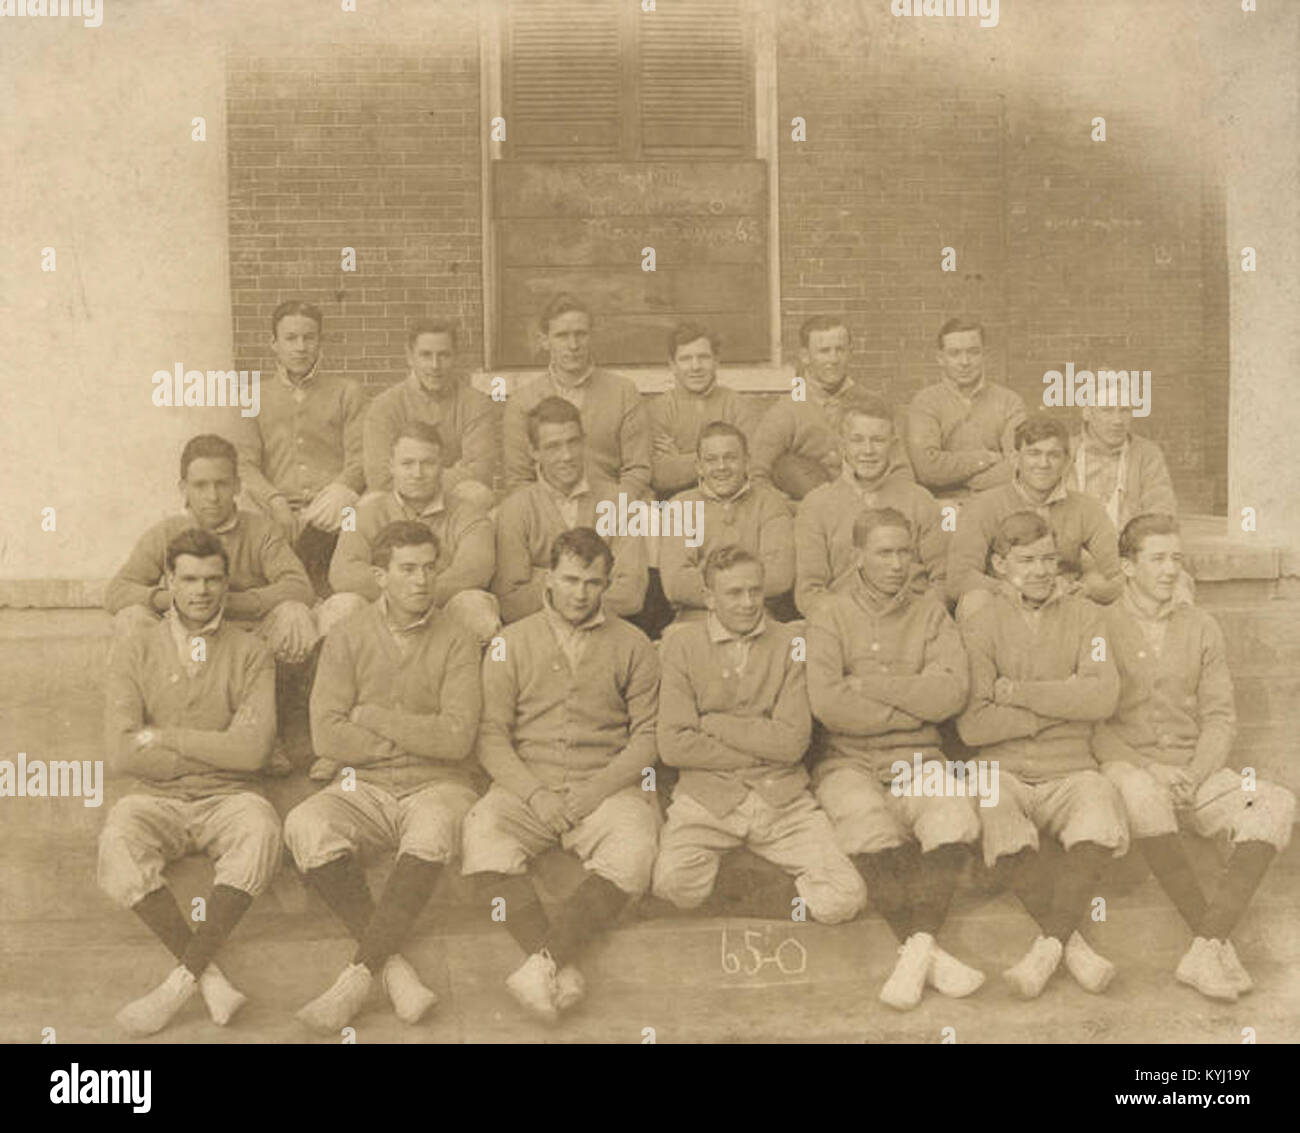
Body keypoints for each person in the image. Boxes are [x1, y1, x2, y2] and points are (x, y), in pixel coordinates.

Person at [284, 521, 484, 1031]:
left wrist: (373, 718)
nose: (421, 580)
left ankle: (355, 978)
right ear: (380, 576)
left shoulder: (458, 639)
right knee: (306, 822)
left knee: (435, 826)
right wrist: (408, 737)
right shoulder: (348, 635)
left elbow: (457, 739)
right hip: (362, 783)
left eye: (429, 568)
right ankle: (392, 969)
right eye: (407, 569)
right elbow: (327, 735)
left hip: (438, 782)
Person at [462, 528, 660, 1023]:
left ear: (607, 583)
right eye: (570, 580)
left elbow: (648, 738)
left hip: (604, 785)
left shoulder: (633, 644)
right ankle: (552, 963)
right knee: (481, 831)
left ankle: (541, 964)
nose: (580, 593)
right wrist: (534, 794)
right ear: (548, 578)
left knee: (636, 845)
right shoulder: (510, 642)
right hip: (529, 786)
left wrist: (594, 791)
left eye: (593, 583)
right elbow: (490, 736)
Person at [1097, 513, 1295, 1001]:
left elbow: (1221, 717)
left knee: (1275, 802)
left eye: (1176, 559)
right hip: (1130, 769)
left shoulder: (1201, 625)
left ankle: (1206, 946)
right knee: (1143, 793)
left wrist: (1193, 772)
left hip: (1194, 771)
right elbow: (1092, 726)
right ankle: (1213, 944)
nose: (1170, 569)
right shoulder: (1099, 626)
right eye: (1157, 558)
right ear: (1127, 567)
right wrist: (1148, 768)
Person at [98, 528, 282, 1036]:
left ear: (227, 583)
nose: (202, 591)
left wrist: (167, 737)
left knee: (262, 828)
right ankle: (207, 977)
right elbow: (120, 752)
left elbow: (252, 751)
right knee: (118, 838)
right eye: (190, 579)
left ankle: (181, 982)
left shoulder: (250, 651)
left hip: (230, 797)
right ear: (168, 581)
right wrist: (212, 750)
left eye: (214, 579)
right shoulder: (135, 647)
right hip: (158, 797)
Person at [806, 508, 983, 1009]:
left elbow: (951, 693)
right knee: (864, 823)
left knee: (952, 813)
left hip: (918, 759)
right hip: (848, 760)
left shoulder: (930, 612)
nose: (897, 564)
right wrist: (910, 705)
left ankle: (915, 948)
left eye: (905, 551)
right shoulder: (830, 613)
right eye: (884, 552)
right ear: (856, 555)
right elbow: (829, 706)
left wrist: (874, 689)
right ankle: (927, 950)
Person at [956, 511, 1127, 999]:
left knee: (1098, 803)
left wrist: (1019, 693)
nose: (1039, 570)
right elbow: (973, 725)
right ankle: (1068, 947)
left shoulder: (1087, 616)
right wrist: (1062, 701)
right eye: (1026, 560)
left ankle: (1048, 947)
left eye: (1050, 558)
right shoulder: (981, 622)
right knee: (992, 804)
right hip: (1003, 767)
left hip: (1070, 766)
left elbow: (1102, 698)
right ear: (999, 564)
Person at [653, 545, 863, 922]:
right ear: (709, 598)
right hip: (708, 796)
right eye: (734, 593)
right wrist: (762, 746)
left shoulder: (791, 643)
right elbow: (673, 746)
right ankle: (749, 867)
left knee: (845, 898)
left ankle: (748, 880)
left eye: (755, 590)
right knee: (671, 883)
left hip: (780, 796)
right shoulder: (682, 644)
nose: (748, 602)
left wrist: (713, 724)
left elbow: (791, 743)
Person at [105, 434, 318, 666]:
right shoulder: (166, 532)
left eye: (222, 484)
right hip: (183, 642)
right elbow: (118, 591)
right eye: (200, 485)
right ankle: (139, 701)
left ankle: (285, 700)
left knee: (294, 614)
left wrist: (233, 602)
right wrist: (174, 600)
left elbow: (299, 587)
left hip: (245, 641)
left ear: (237, 485)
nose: (212, 496)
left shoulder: (261, 530)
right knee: (131, 618)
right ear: (183, 488)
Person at [322, 422, 497, 644]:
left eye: (428, 464)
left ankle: (467, 676)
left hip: (442, 612)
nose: (417, 473)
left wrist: (414, 597)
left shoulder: (468, 514)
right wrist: (405, 597)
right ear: (391, 467)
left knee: (474, 606)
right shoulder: (364, 514)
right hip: (381, 613)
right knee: (342, 606)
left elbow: (473, 572)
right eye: (407, 464)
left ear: (442, 467)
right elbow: (343, 573)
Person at [236, 299, 366, 596]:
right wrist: (275, 501)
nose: (300, 347)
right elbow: (245, 464)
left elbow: (360, 459)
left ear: (320, 342)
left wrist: (332, 496)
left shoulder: (346, 392)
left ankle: (321, 586)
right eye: (290, 338)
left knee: (354, 506)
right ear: (274, 343)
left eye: (309, 338)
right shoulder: (253, 396)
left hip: (330, 507)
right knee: (239, 504)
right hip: (276, 505)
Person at [492, 397, 646, 624]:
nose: (567, 456)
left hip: (606, 631)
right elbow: (511, 603)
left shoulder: (619, 502)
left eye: (573, 442)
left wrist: (545, 579)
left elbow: (631, 596)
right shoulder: (516, 509)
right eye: (553, 446)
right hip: (542, 637)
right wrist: (598, 581)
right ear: (534, 451)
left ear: (584, 442)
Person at [947, 415, 1122, 609]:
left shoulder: (1087, 508)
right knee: (974, 602)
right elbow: (959, 578)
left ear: (1067, 461)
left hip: (1063, 605)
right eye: (1034, 453)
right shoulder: (983, 505)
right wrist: (1015, 590)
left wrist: (1087, 589)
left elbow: (1120, 571)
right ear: (1015, 459)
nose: (1043, 464)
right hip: (1006, 605)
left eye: (1053, 455)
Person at [795, 398, 946, 617]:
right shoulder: (817, 504)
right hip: (845, 624)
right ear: (841, 444)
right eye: (857, 440)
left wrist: (917, 619)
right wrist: (850, 624)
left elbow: (943, 580)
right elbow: (809, 591)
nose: (868, 450)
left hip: (909, 620)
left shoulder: (919, 500)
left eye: (878, 440)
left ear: (893, 445)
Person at [501, 293, 650, 499]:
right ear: (545, 341)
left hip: (610, 507)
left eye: (581, 334)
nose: (573, 345)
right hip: (549, 510)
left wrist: (614, 509)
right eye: (562, 336)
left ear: (592, 336)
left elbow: (637, 469)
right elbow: (519, 480)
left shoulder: (623, 392)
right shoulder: (522, 402)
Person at [750, 314, 910, 500]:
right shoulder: (787, 410)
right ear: (805, 356)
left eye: (840, 350)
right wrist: (795, 508)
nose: (833, 359)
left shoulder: (874, 403)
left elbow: (902, 471)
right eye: (824, 351)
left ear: (850, 352)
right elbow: (757, 476)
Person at [658, 422, 794, 623]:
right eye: (711, 460)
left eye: (730, 458)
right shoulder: (680, 506)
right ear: (699, 467)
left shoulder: (770, 503)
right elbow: (676, 584)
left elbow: (779, 576)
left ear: (747, 462)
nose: (721, 467)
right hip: (697, 617)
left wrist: (726, 593)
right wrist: (739, 591)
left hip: (756, 615)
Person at [361, 319, 497, 506]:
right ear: (410, 357)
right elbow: (379, 476)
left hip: (452, 501)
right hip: (398, 500)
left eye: (444, 355)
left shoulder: (476, 404)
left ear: (456, 357)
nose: (435, 365)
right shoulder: (384, 406)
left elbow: (480, 471)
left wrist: (417, 478)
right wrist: (440, 476)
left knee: (478, 494)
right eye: (425, 355)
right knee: (369, 504)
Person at [905, 318, 1026, 498]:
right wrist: (988, 458)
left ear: (985, 355)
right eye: (954, 353)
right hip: (943, 508)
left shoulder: (1010, 402)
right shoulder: (925, 402)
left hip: (997, 503)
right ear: (941, 358)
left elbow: (1020, 464)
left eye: (973, 352)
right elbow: (928, 469)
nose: (964, 361)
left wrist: (960, 478)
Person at [648, 322, 755, 496]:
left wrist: (680, 460)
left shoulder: (738, 405)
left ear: (716, 361)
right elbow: (660, 476)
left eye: (703, 357)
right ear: (672, 365)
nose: (695, 366)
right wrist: (726, 458)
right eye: (685, 359)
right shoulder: (658, 410)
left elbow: (751, 467)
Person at [1069, 403, 1177, 531]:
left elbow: (1160, 509)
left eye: (1124, 411)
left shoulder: (1147, 454)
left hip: (1129, 546)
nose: (1117, 420)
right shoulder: (1065, 451)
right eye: (1107, 410)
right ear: (1087, 413)